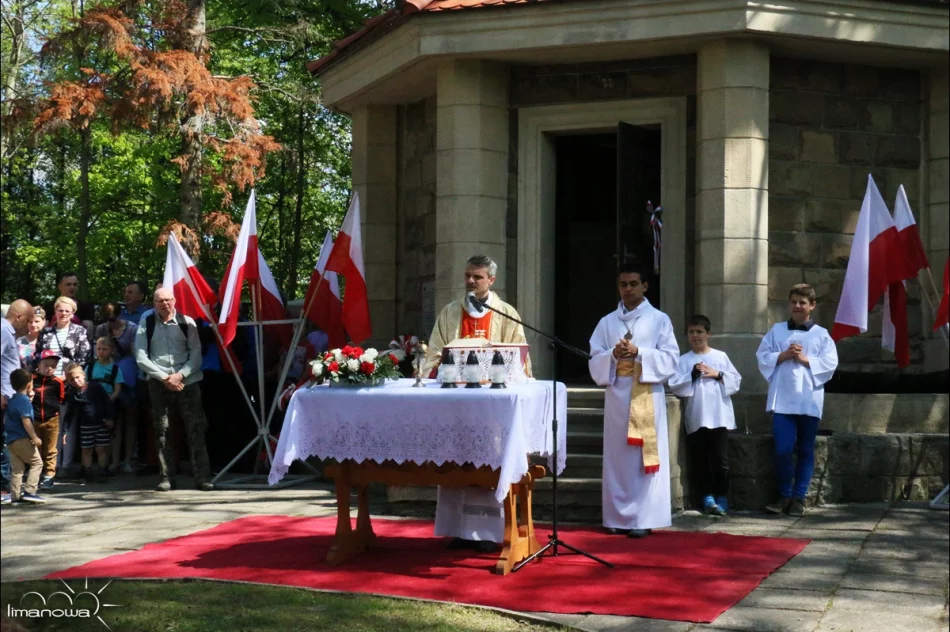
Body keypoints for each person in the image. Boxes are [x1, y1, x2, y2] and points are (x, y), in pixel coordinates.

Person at [423, 254, 531, 552]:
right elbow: (433, 354)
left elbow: (521, 362)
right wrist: (435, 368)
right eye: (468, 275)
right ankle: (459, 529)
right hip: (455, 407)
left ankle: (488, 532)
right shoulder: (449, 313)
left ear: (491, 280)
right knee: (457, 463)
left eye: (477, 277)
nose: (471, 281)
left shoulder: (507, 314)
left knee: (488, 464)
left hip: (491, 411)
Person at [588, 262, 678, 538]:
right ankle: (615, 517)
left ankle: (643, 518)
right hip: (617, 395)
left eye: (633, 284)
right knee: (618, 458)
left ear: (645, 286)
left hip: (647, 393)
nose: (628, 290)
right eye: (623, 285)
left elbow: (671, 360)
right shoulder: (607, 322)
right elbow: (595, 358)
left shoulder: (659, 320)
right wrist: (613, 356)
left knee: (642, 458)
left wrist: (640, 352)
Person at [757, 284, 838, 516]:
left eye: (802, 303)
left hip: (808, 400)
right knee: (782, 448)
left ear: (812, 306)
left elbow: (830, 363)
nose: (797, 306)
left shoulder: (821, 335)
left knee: (805, 450)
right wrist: (782, 355)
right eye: (794, 302)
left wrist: (804, 359)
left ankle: (799, 498)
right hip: (782, 400)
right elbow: (762, 356)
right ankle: (784, 496)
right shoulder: (777, 330)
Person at [134, 288, 213, 491]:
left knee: (196, 429)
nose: (164, 304)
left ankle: (202, 478)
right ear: (153, 303)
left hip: (188, 382)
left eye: (168, 300)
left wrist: (180, 375)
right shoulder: (147, 322)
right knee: (163, 431)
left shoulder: (188, 323)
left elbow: (196, 355)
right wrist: (164, 377)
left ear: (175, 301)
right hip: (158, 384)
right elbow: (141, 356)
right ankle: (166, 478)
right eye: (159, 301)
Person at [668, 314, 741, 516]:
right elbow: (675, 386)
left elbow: (735, 382)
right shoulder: (683, 360)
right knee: (700, 459)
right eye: (691, 332)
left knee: (720, 460)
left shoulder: (720, 357)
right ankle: (706, 496)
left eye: (699, 332)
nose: (695, 336)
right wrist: (691, 375)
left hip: (718, 416)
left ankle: (722, 495)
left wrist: (717, 374)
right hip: (697, 415)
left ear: (708, 334)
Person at [35, 296, 92, 477]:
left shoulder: (79, 332)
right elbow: (38, 356)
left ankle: (65, 465)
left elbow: (83, 359)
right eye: (60, 310)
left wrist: (65, 377)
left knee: (68, 425)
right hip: (47, 386)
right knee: (51, 426)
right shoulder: (46, 332)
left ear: (73, 313)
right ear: (55, 312)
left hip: (68, 385)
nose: (64, 313)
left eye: (68, 311)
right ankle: (51, 465)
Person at [94, 303, 139, 473]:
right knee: (115, 422)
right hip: (108, 378)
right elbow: (96, 353)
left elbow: (135, 353)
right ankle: (114, 460)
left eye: (113, 319)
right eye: (107, 319)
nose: (110, 323)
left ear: (120, 315)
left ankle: (127, 460)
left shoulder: (132, 328)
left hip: (128, 378)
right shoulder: (101, 329)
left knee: (130, 420)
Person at [2, 300, 34, 505]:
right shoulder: (4, 331)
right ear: (19, 316)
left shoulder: (8, 332)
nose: (30, 325)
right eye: (29, 320)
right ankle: (3, 488)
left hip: (9, 396)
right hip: (3, 397)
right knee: (5, 443)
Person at [63, 362, 114, 483]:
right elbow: (69, 413)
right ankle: (87, 472)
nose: (75, 381)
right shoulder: (73, 394)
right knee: (86, 450)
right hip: (86, 426)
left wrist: (110, 418)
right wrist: (65, 430)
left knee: (101, 448)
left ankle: (102, 472)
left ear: (83, 375)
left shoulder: (95, 387)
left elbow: (107, 402)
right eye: (71, 379)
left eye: (77, 377)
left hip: (101, 423)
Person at [31, 350, 66, 489]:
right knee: (36, 448)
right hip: (35, 420)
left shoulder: (57, 382)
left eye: (53, 366)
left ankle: (49, 475)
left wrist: (54, 412)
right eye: (46, 365)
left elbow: (61, 398)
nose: (49, 368)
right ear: (39, 365)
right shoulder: (32, 380)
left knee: (51, 449)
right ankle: (37, 474)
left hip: (52, 419)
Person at [43, 272, 95, 340]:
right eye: (68, 284)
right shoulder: (49, 306)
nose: (72, 287)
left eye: (75, 284)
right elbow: (42, 328)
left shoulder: (85, 306)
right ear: (59, 286)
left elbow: (88, 331)